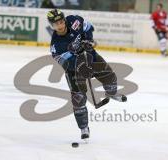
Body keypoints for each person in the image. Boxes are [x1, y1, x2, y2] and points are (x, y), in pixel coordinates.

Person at [47, 9, 126, 140]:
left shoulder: (74, 21)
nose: (60, 26)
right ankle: (84, 128)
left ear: (64, 20)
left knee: (110, 77)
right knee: (78, 99)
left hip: (90, 56)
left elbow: (88, 26)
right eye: (56, 24)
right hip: (74, 69)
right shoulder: (56, 46)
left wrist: (88, 40)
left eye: (61, 21)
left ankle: (111, 94)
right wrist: (82, 67)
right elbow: (66, 63)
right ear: (52, 26)